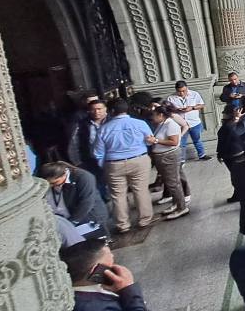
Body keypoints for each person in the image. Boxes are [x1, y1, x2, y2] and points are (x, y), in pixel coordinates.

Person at [93, 98, 154, 233]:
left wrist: (106, 165)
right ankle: (144, 220)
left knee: (118, 195)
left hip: (114, 164)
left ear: (111, 111)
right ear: (127, 110)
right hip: (139, 160)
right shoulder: (140, 123)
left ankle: (123, 225)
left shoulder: (103, 129)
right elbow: (149, 141)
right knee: (141, 190)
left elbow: (98, 153)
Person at [61, 238, 149, 311]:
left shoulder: (81, 287)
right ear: (96, 271)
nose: (116, 266)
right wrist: (128, 289)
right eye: (112, 263)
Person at [38, 161, 109, 231]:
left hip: (91, 218)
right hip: (69, 218)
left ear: (64, 174)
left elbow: (86, 202)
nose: (51, 186)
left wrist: (72, 222)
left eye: (54, 183)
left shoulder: (84, 177)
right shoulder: (53, 183)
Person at [148, 106, 189, 220]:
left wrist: (156, 140)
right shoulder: (162, 124)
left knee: (173, 183)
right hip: (162, 156)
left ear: (161, 115)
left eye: (154, 114)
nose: (152, 117)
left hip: (169, 156)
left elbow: (174, 142)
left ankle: (182, 207)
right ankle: (176, 204)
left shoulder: (171, 124)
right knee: (170, 182)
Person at [67, 99, 108, 199]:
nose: (97, 112)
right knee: (97, 183)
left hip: (111, 158)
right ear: (89, 111)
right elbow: (74, 142)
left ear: (105, 109)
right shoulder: (82, 124)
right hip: (91, 159)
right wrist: (77, 161)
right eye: (93, 109)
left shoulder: (112, 122)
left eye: (99, 109)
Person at [217, 106, 245, 203]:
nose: (223, 114)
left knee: (237, 177)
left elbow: (223, 142)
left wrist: (220, 154)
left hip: (232, 154)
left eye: (224, 112)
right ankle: (239, 195)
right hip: (238, 152)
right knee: (239, 176)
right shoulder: (235, 123)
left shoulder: (228, 126)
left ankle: (242, 196)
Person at [167, 82, 211, 161]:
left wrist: (192, 108)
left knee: (197, 140)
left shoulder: (195, 94)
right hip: (181, 124)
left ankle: (202, 155)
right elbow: (168, 110)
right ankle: (182, 159)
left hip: (194, 122)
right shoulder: (171, 98)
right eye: (179, 91)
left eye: (183, 91)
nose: (181, 93)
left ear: (187, 88)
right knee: (181, 142)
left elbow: (202, 105)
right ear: (176, 90)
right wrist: (177, 110)